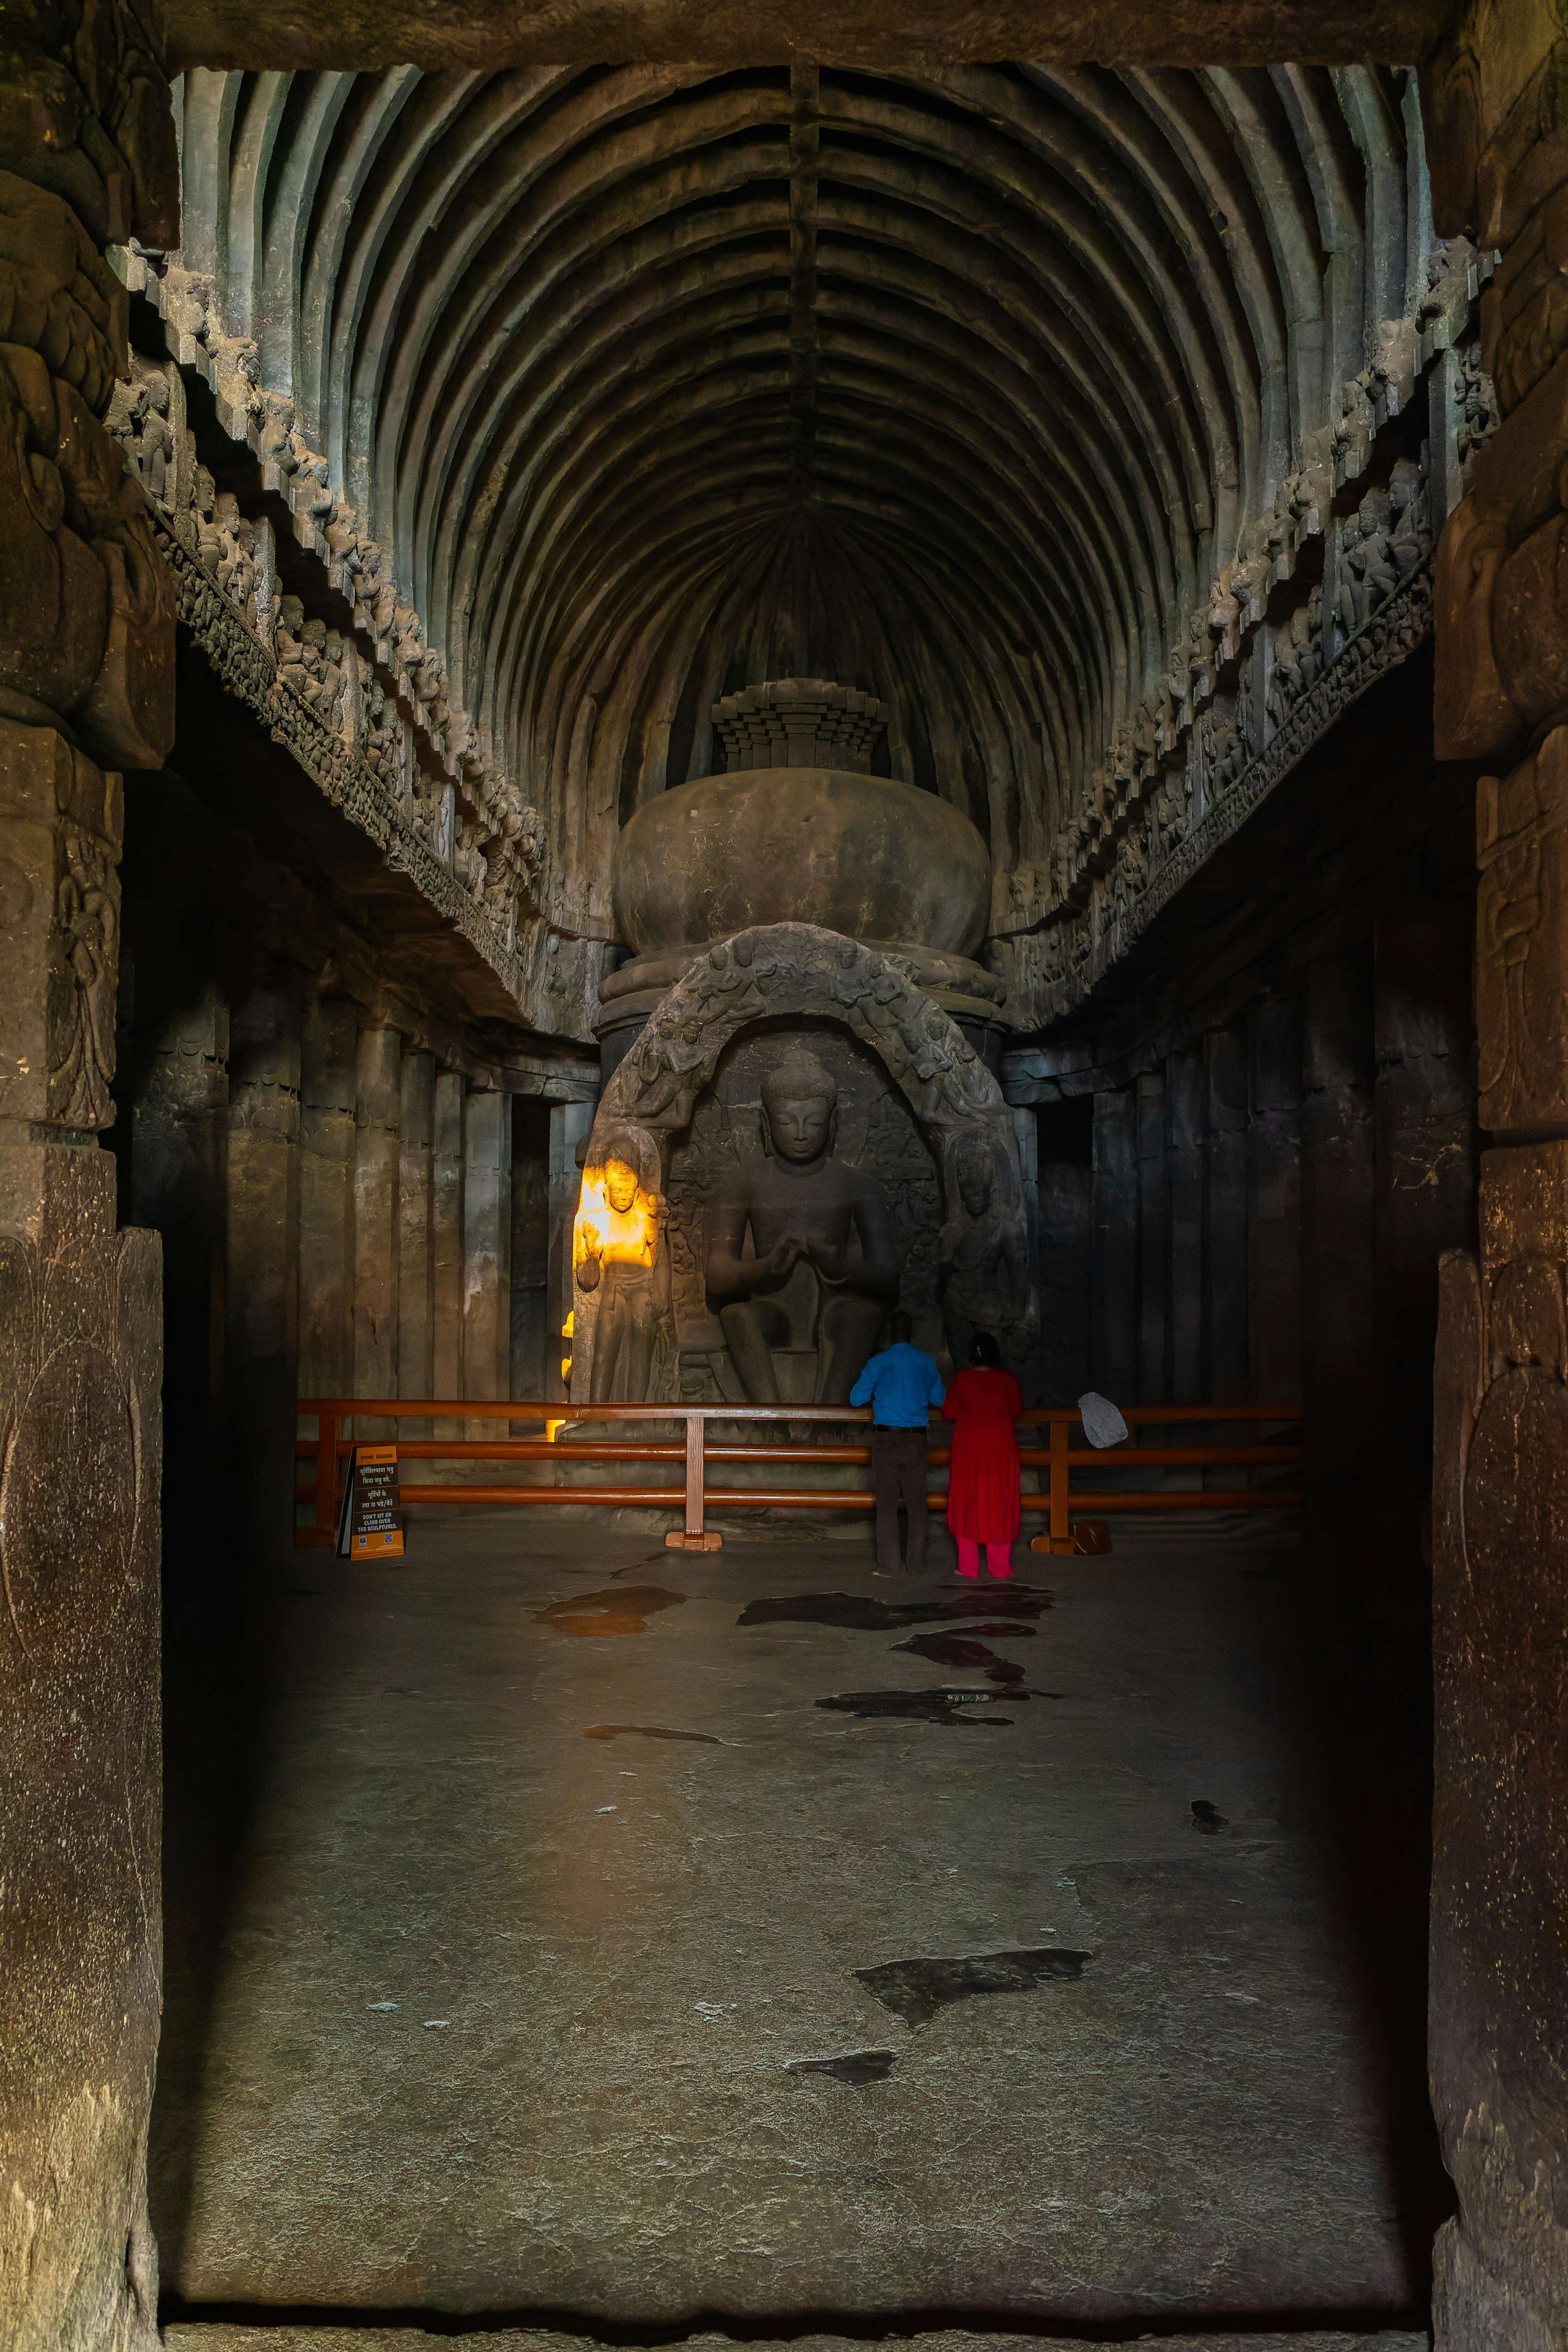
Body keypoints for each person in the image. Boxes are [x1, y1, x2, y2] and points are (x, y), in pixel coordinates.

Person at [850, 1311, 945, 1575]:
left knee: (887, 1504)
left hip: (886, 1438)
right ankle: (916, 1564)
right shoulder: (925, 1361)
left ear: (890, 1333)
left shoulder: (878, 1363)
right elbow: (939, 1399)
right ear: (911, 1332)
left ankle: (889, 1566)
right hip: (916, 1440)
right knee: (917, 1505)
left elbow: (856, 1399)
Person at [942, 1329, 1024, 1579]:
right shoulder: (1007, 1380)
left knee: (966, 1501)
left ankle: (968, 1567)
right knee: (1000, 1501)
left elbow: (947, 1412)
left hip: (969, 1451)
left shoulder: (963, 1380)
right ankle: (1000, 1567)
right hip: (1000, 1450)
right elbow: (1017, 1410)